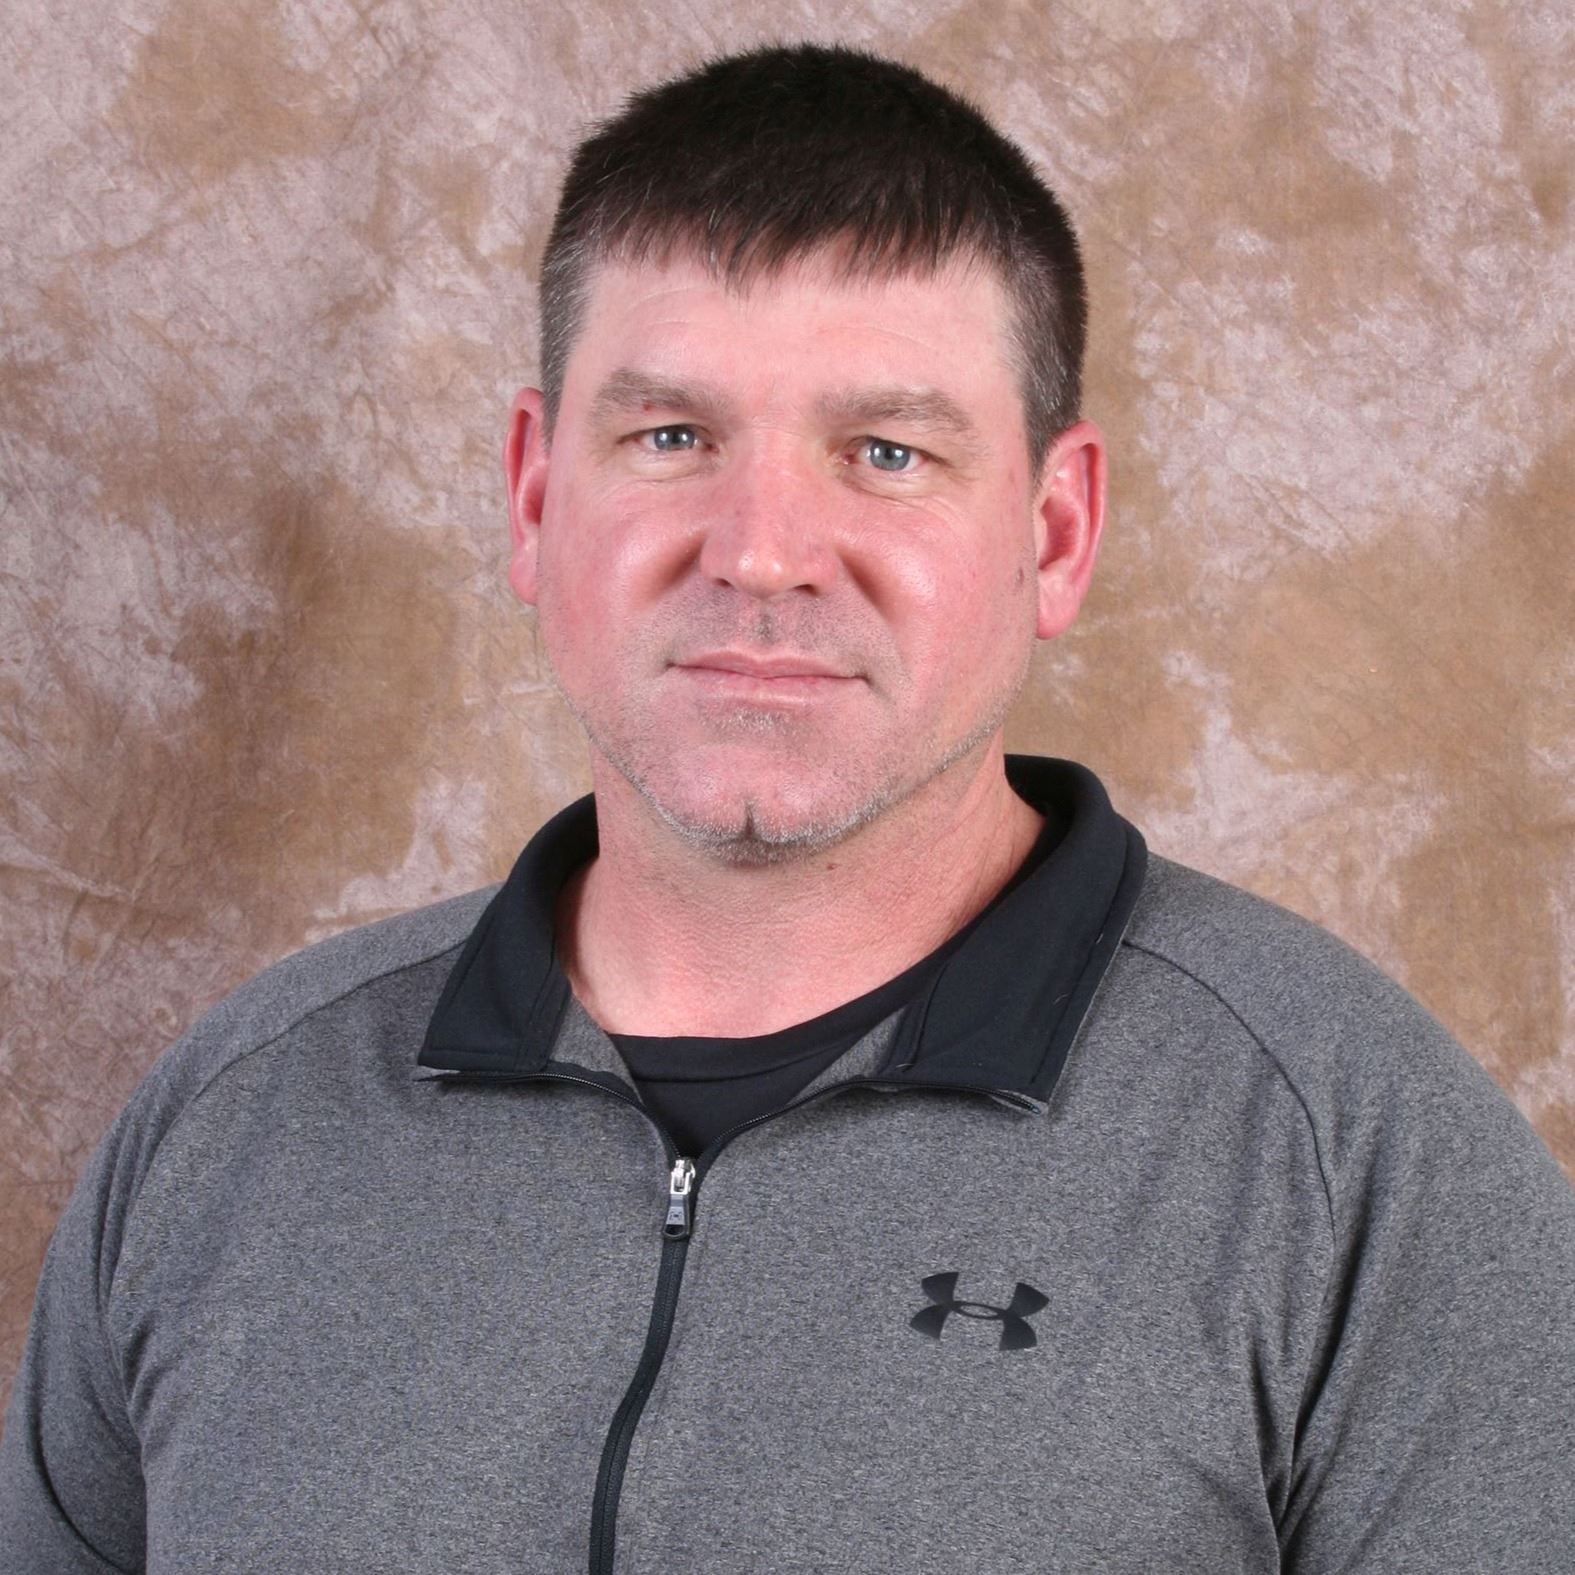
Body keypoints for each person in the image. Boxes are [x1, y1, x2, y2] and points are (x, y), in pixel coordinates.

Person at [3, 40, 1573, 1575]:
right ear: (537, 497)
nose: (761, 551)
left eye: (887, 452)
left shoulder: (1353, 1163)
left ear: (1056, 531)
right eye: (672, 437)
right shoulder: (233, 1129)